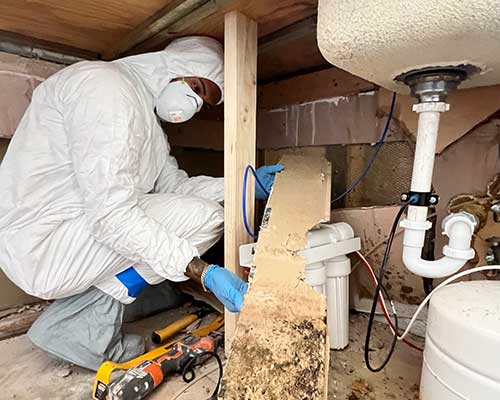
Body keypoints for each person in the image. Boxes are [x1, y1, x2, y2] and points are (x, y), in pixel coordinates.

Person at [0, 36, 283, 370]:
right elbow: (111, 217)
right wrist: (203, 272)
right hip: (42, 244)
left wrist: (246, 186)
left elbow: (176, 189)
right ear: (172, 67)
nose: (193, 105)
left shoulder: (142, 117)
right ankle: (79, 327)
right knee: (206, 219)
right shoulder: (105, 91)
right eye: (197, 87)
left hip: (65, 234)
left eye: (205, 102)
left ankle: (84, 311)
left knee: (197, 215)